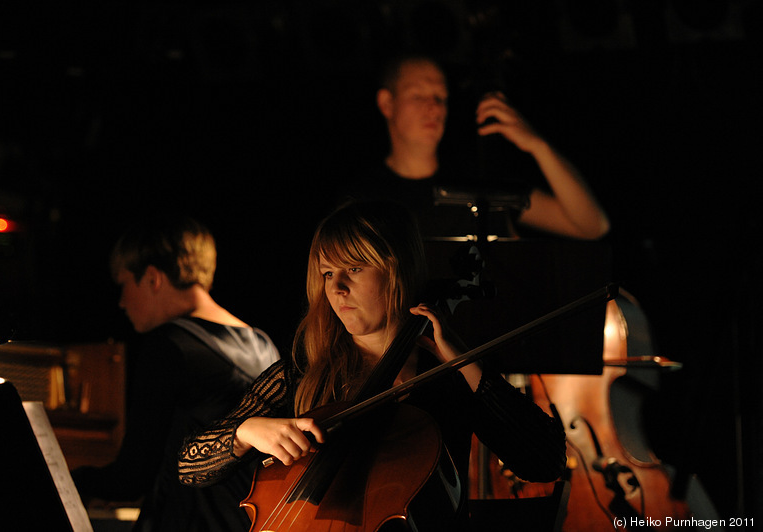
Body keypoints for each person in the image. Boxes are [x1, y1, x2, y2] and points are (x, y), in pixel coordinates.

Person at [177, 200, 566, 530]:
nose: (336, 288)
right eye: (328, 273)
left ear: (397, 268)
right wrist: (247, 431)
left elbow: (544, 460)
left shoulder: (449, 377)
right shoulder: (304, 371)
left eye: (354, 269)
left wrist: (464, 360)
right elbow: (190, 466)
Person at [71, 216, 280, 532]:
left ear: (153, 278)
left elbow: (131, 479)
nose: (122, 302)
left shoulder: (168, 344)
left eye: (124, 284)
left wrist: (66, 477)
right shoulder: (263, 343)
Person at [342, 53, 610, 241]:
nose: (433, 107)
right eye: (418, 95)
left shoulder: (480, 179)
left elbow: (592, 226)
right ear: (387, 103)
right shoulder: (364, 199)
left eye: (440, 97)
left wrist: (538, 146)